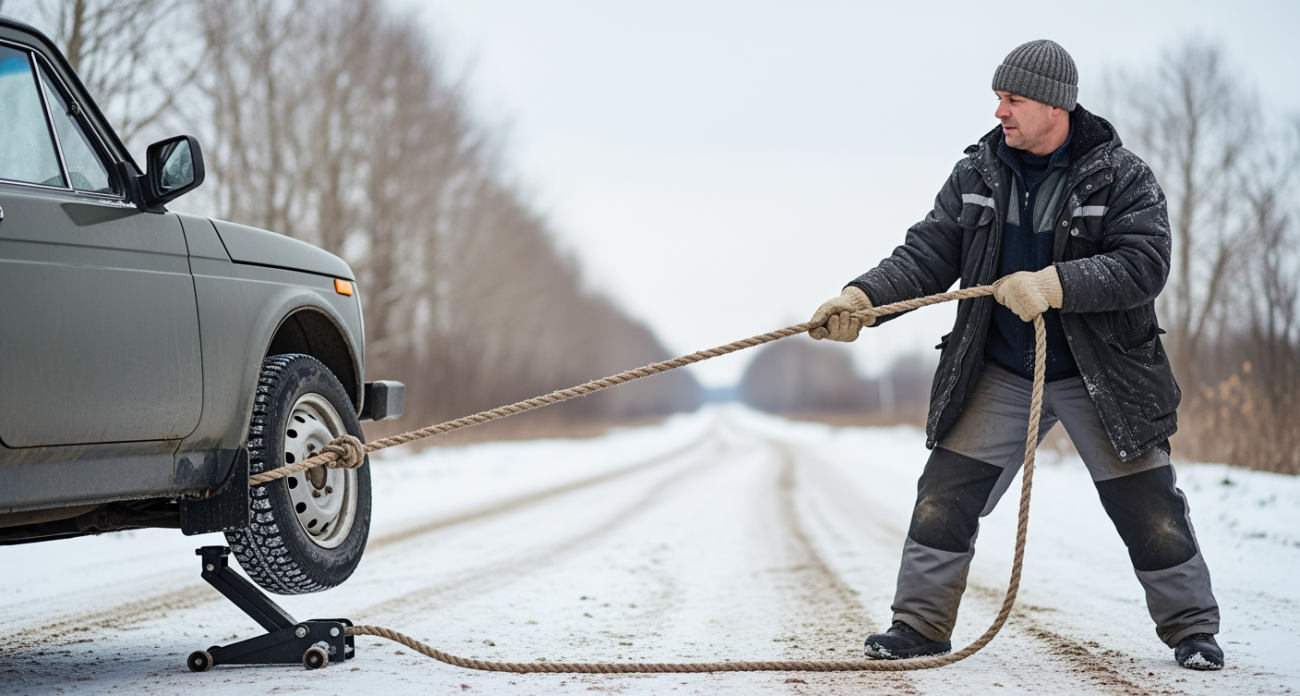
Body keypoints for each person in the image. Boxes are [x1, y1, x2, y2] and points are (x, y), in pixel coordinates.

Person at [809, 40, 1223, 671]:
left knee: (1149, 506)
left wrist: (1056, 284)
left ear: (1054, 106)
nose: (999, 111)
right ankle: (918, 625)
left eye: (1013, 99)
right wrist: (863, 298)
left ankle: (1193, 630)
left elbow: (1144, 265)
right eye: (998, 98)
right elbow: (927, 253)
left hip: (1101, 374)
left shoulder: (1122, 177)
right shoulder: (976, 174)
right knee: (942, 496)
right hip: (1001, 370)